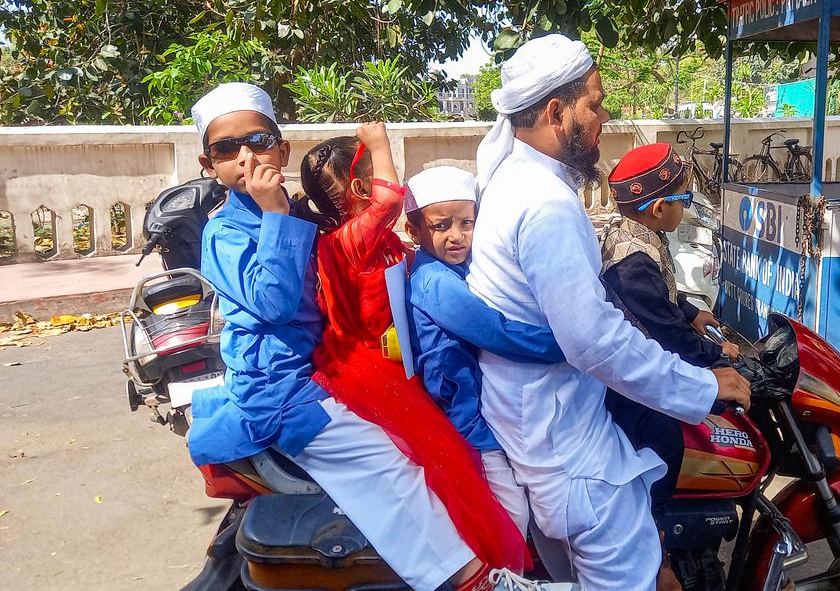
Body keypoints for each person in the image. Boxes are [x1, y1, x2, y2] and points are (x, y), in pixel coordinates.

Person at [189, 84, 565, 591]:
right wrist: (275, 213)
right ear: (208, 165)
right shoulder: (227, 231)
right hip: (282, 390)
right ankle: (473, 581)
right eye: (227, 149)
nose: (247, 155)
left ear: (281, 148)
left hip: (326, 366)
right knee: (392, 471)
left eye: (258, 140)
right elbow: (274, 304)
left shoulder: (299, 213)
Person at [467, 34, 752, 591]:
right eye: (594, 104)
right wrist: (700, 383)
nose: (604, 117)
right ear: (556, 112)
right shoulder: (544, 204)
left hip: (541, 427)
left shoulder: (515, 182)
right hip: (572, 451)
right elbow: (593, 339)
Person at [599, 143, 742, 591]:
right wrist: (716, 362)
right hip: (630, 378)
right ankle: (655, 551)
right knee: (666, 442)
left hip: (644, 359)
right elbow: (663, 333)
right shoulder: (631, 258)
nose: (686, 210)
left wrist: (692, 313)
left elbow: (665, 307)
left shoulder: (643, 234)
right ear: (659, 207)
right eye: (684, 202)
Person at [403, 165, 566, 537]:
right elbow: (498, 332)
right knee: (512, 515)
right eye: (441, 226)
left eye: (467, 223)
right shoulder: (435, 284)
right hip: (467, 420)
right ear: (414, 231)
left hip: (481, 408)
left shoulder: (456, 271)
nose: (457, 236)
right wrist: (569, 345)